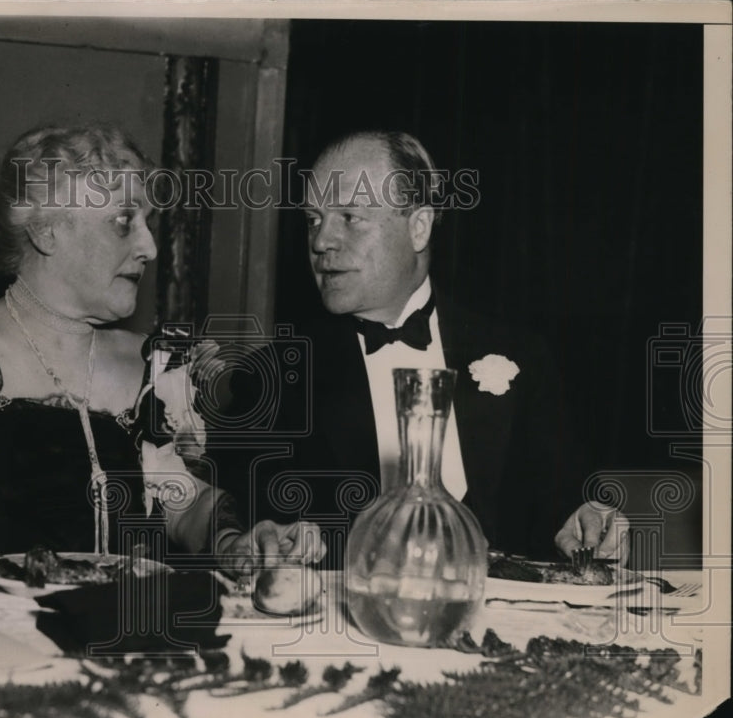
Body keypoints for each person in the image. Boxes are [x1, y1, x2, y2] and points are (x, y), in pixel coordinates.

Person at [0, 123, 324, 588]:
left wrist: (238, 541)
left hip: (121, 640)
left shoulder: (162, 361)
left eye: (148, 224)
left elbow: (186, 504)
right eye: (124, 222)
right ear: (47, 231)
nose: (150, 248)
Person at [219, 130, 627, 568]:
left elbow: (566, 506)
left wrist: (590, 522)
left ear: (418, 227)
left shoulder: (522, 357)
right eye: (314, 219)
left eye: (349, 217)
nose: (321, 241)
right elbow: (241, 526)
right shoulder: (272, 378)